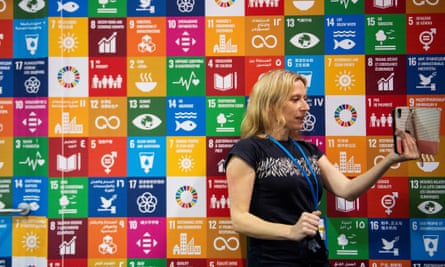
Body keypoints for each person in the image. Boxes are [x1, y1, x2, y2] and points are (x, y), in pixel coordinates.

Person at [225, 69, 419, 266]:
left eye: (305, 98)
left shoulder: (308, 150)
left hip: (313, 256)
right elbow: (239, 219)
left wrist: (390, 159)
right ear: (271, 104)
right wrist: (291, 231)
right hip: (273, 260)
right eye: (295, 99)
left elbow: (347, 190)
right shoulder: (248, 150)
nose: (306, 106)